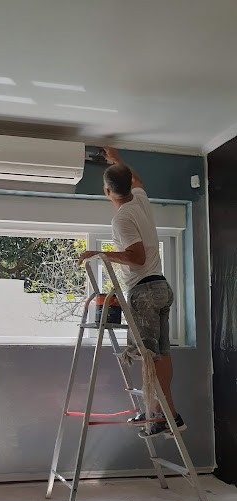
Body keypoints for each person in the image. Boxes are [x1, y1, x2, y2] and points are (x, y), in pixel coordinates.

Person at [78, 147, 186, 437]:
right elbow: (137, 179)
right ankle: (167, 415)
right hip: (161, 288)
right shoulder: (140, 199)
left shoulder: (122, 218)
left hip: (145, 291)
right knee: (161, 355)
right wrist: (117, 160)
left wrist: (99, 254)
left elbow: (137, 257)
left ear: (107, 191)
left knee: (148, 356)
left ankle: (158, 414)